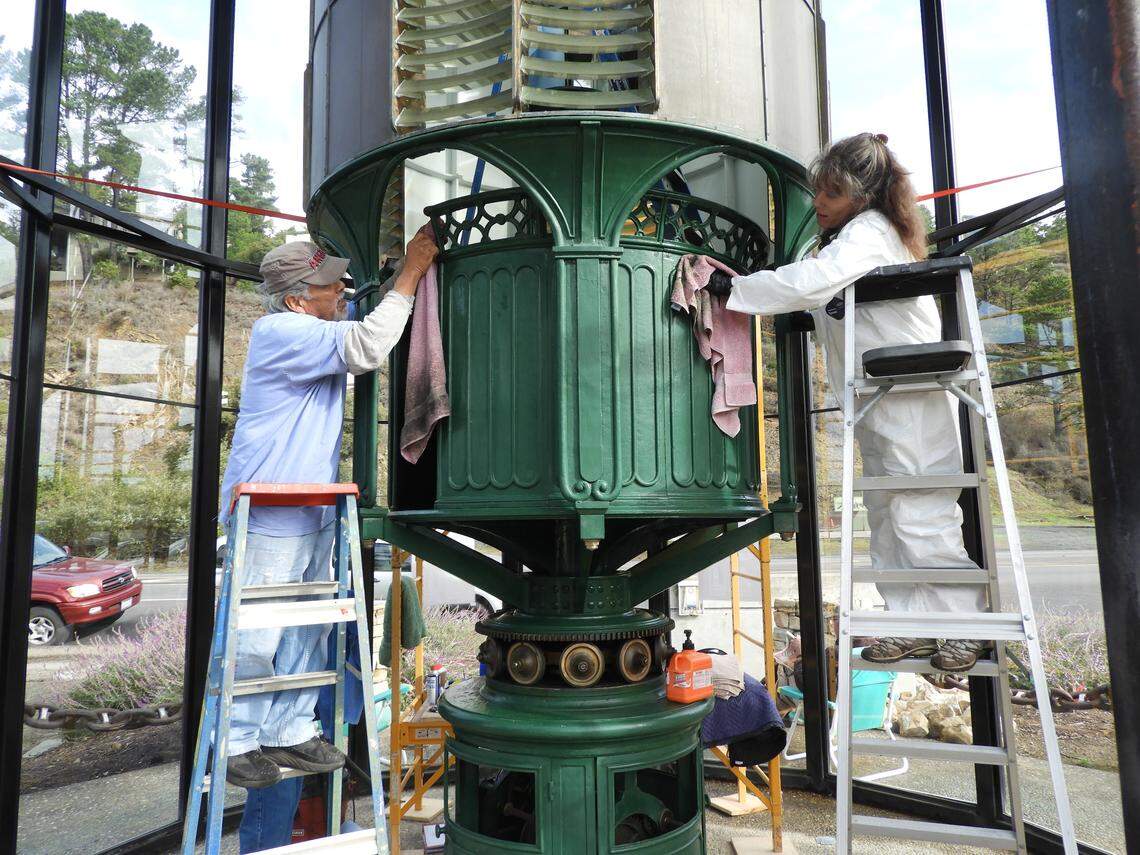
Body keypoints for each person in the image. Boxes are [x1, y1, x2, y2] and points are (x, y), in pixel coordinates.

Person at [705, 132, 989, 673]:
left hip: (912, 389)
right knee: (887, 511)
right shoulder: (854, 237)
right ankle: (910, 624)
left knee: (920, 510)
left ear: (860, 196)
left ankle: (962, 627)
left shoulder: (870, 232)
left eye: (829, 194)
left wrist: (737, 291)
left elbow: (816, 283)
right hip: (879, 393)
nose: (818, 203)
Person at [218, 231, 437, 803]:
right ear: (295, 299)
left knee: (306, 628)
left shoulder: (310, 331)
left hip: (309, 504)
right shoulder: (282, 332)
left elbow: (355, 333)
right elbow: (366, 346)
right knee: (260, 630)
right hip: (268, 509)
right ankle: (236, 740)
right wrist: (410, 275)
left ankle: (288, 731)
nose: (342, 287)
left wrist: (392, 282)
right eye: (327, 284)